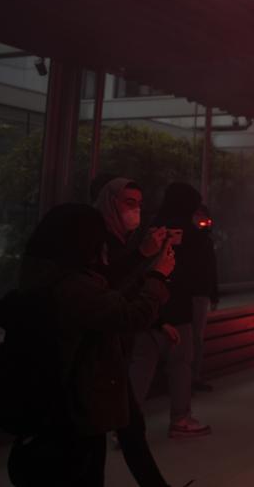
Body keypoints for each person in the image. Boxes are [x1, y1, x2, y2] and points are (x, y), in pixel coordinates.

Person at [4, 203, 171, 486]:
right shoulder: (72, 287)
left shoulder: (39, 277)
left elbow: (110, 301)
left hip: (50, 402)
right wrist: (158, 277)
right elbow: (128, 316)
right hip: (78, 406)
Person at [94, 177, 176, 486]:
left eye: (139, 204)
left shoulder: (120, 239)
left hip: (110, 345)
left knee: (129, 426)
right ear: (110, 202)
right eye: (130, 203)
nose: (136, 211)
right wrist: (148, 262)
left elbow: (124, 289)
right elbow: (109, 287)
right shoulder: (97, 241)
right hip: (97, 347)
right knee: (120, 428)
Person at [129, 182, 212, 439]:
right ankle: (180, 419)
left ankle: (125, 424)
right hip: (179, 309)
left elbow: (135, 265)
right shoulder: (194, 234)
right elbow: (198, 271)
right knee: (180, 365)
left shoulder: (150, 228)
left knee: (140, 366)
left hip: (146, 305)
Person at [190, 204, 219, 393]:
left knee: (197, 338)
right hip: (189, 294)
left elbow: (211, 268)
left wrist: (213, 294)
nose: (202, 220)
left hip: (201, 294)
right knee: (190, 339)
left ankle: (194, 377)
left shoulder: (206, 241)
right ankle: (187, 378)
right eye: (198, 215)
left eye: (204, 216)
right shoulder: (188, 239)